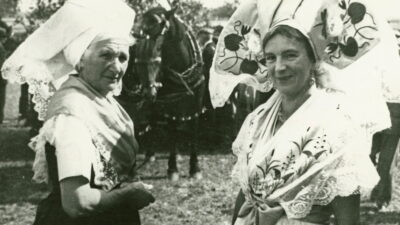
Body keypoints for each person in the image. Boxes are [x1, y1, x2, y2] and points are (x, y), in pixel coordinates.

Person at [209, 0, 400, 224]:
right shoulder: (258, 120)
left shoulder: (337, 128)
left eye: (290, 55)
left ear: (313, 60)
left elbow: (348, 221)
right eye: (271, 57)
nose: (279, 67)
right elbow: (246, 196)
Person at [1, 0, 155, 224]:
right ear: (79, 60)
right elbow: (78, 202)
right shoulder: (72, 113)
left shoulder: (101, 100)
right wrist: (128, 194)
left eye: (123, 57)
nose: (117, 66)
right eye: (106, 55)